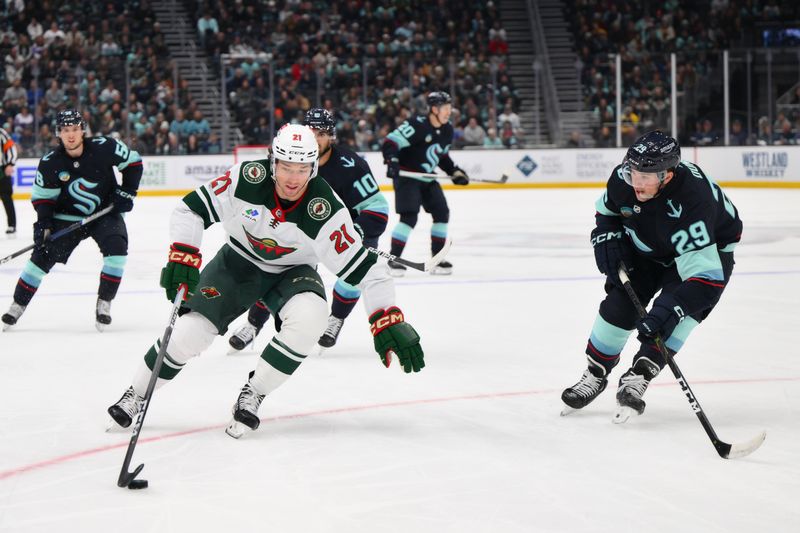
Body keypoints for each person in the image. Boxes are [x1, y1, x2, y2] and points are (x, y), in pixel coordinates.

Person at [106, 124, 425, 439]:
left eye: (302, 169)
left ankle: (254, 392)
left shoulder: (326, 209)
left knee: (311, 318)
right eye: (285, 166)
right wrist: (183, 254)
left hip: (293, 271)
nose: (292, 178)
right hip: (236, 262)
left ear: (314, 169)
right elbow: (190, 209)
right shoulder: (246, 178)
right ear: (272, 162)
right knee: (191, 333)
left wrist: (386, 316)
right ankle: (136, 393)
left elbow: (367, 269)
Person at [561, 131, 742, 422]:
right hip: (650, 244)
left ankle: (640, 375)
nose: (637, 182)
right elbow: (606, 212)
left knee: (674, 318)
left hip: (705, 252)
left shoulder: (694, 202)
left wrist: (672, 309)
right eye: (633, 173)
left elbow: (705, 280)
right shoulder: (624, 179)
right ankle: (595, 373)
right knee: (619, 304)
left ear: (668, 176)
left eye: (646, 177)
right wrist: (606, 235)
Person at [227, 108, 390, 351]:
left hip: (346, 232)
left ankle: (336, 318)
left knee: (353, 275)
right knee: (275, 267)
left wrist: (356, 230)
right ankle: (253, 324)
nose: (316, 138)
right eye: (312, 131)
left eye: (322, 133)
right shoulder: (291, 161)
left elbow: (378, 209)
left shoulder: (351, 165)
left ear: (331, 136)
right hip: (304, 230)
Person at [1, 109, 143, 331]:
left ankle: (104, 302)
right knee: (41, 257)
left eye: (75, 129)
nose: (71, 135)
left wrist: (127, 192)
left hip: (104, 213)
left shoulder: (105, 147)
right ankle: (17, 305)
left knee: (117, 249)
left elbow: (133, 163)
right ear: (59, 132)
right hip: (65, 218)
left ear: (82, 130)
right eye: (66, 130)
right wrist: (44, 223)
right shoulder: (50, 162)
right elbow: (43, 199)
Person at [382, 91, 469, 276]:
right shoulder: (417, 125)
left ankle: (437, 259)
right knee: (409, 218)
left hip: (427, 177)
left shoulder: (447, 130)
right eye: (445, 108)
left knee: (442, 213)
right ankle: (393, 259)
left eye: (449, 108)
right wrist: (392, 161)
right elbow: (390, 142)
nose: (448, 112)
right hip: (407, 177)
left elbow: (441, 155)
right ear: (434, 109)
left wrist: (454, 171)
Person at [1, 125, 18, 234]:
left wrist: (10, 163)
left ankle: (11, 225)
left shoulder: (1, 133)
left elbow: (11, 147)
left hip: (1, 170)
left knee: (6, 198)